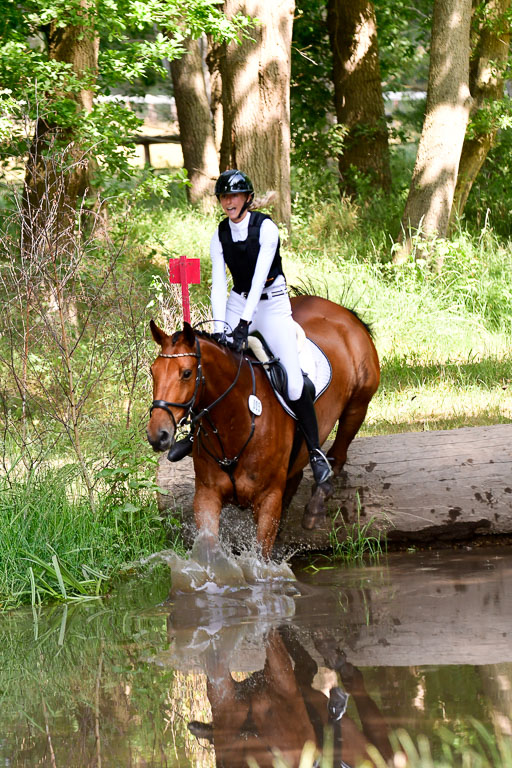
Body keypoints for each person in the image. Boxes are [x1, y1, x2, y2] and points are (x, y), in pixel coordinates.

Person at [208, 169, 332, 486]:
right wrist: (222, 326)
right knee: (213, 368)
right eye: (224, 197)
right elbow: (219, 284)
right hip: (239, 301)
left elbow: (261, 272)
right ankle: (197, 436)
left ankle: (316, 454)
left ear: (247, 198)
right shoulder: (219, 234)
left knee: (292, 384)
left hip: (272, 305)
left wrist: (244, 326)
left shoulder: (265, 229)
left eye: (234, 196)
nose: (229, 202)